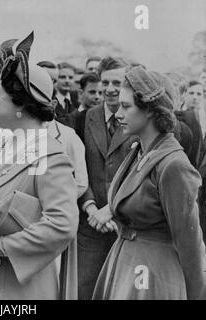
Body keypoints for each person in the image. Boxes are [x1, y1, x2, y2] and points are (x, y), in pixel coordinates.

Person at [0, 32, 79, 300]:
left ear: (20, 104)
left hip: (21, 290)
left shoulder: (50, 157)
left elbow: (62, 226)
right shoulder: (4, 143)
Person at [93, 66, 206, 300]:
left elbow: (190, 245)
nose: (118, 114)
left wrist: (196, 294)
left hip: (153, 277)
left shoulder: (174, 164)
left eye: (126, 107)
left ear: (151, 111)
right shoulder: (139, 150)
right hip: (125, 264)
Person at [77, 56, 136, 300]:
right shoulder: (82, 120)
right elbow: (77, 169)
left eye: (117, 83)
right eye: (105, 82)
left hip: (127, 225)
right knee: (85, 290)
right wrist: (91, 209)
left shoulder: (138, 121)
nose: (110, 89)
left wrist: (111, 210)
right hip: (90, 227)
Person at [70, 72, 103, 141]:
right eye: (92, 92)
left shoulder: (105, 121)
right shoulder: (69, 121)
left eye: (100, 93)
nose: (97, 97)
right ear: (80, 93)